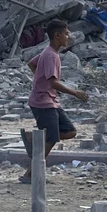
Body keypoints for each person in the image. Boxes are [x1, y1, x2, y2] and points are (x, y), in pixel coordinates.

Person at [20, 21, 87, 183]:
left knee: (70, 131)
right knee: (51, 138)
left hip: (50, 101)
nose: (68, 37)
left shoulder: (50, 53)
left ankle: (33, 137)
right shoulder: (50, 55)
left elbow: (32, 64)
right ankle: (30, 174)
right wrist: (75, 93)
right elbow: (53, 83)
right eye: (66, 34)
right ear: (57, 35)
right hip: (42, 102)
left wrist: (39, 79)